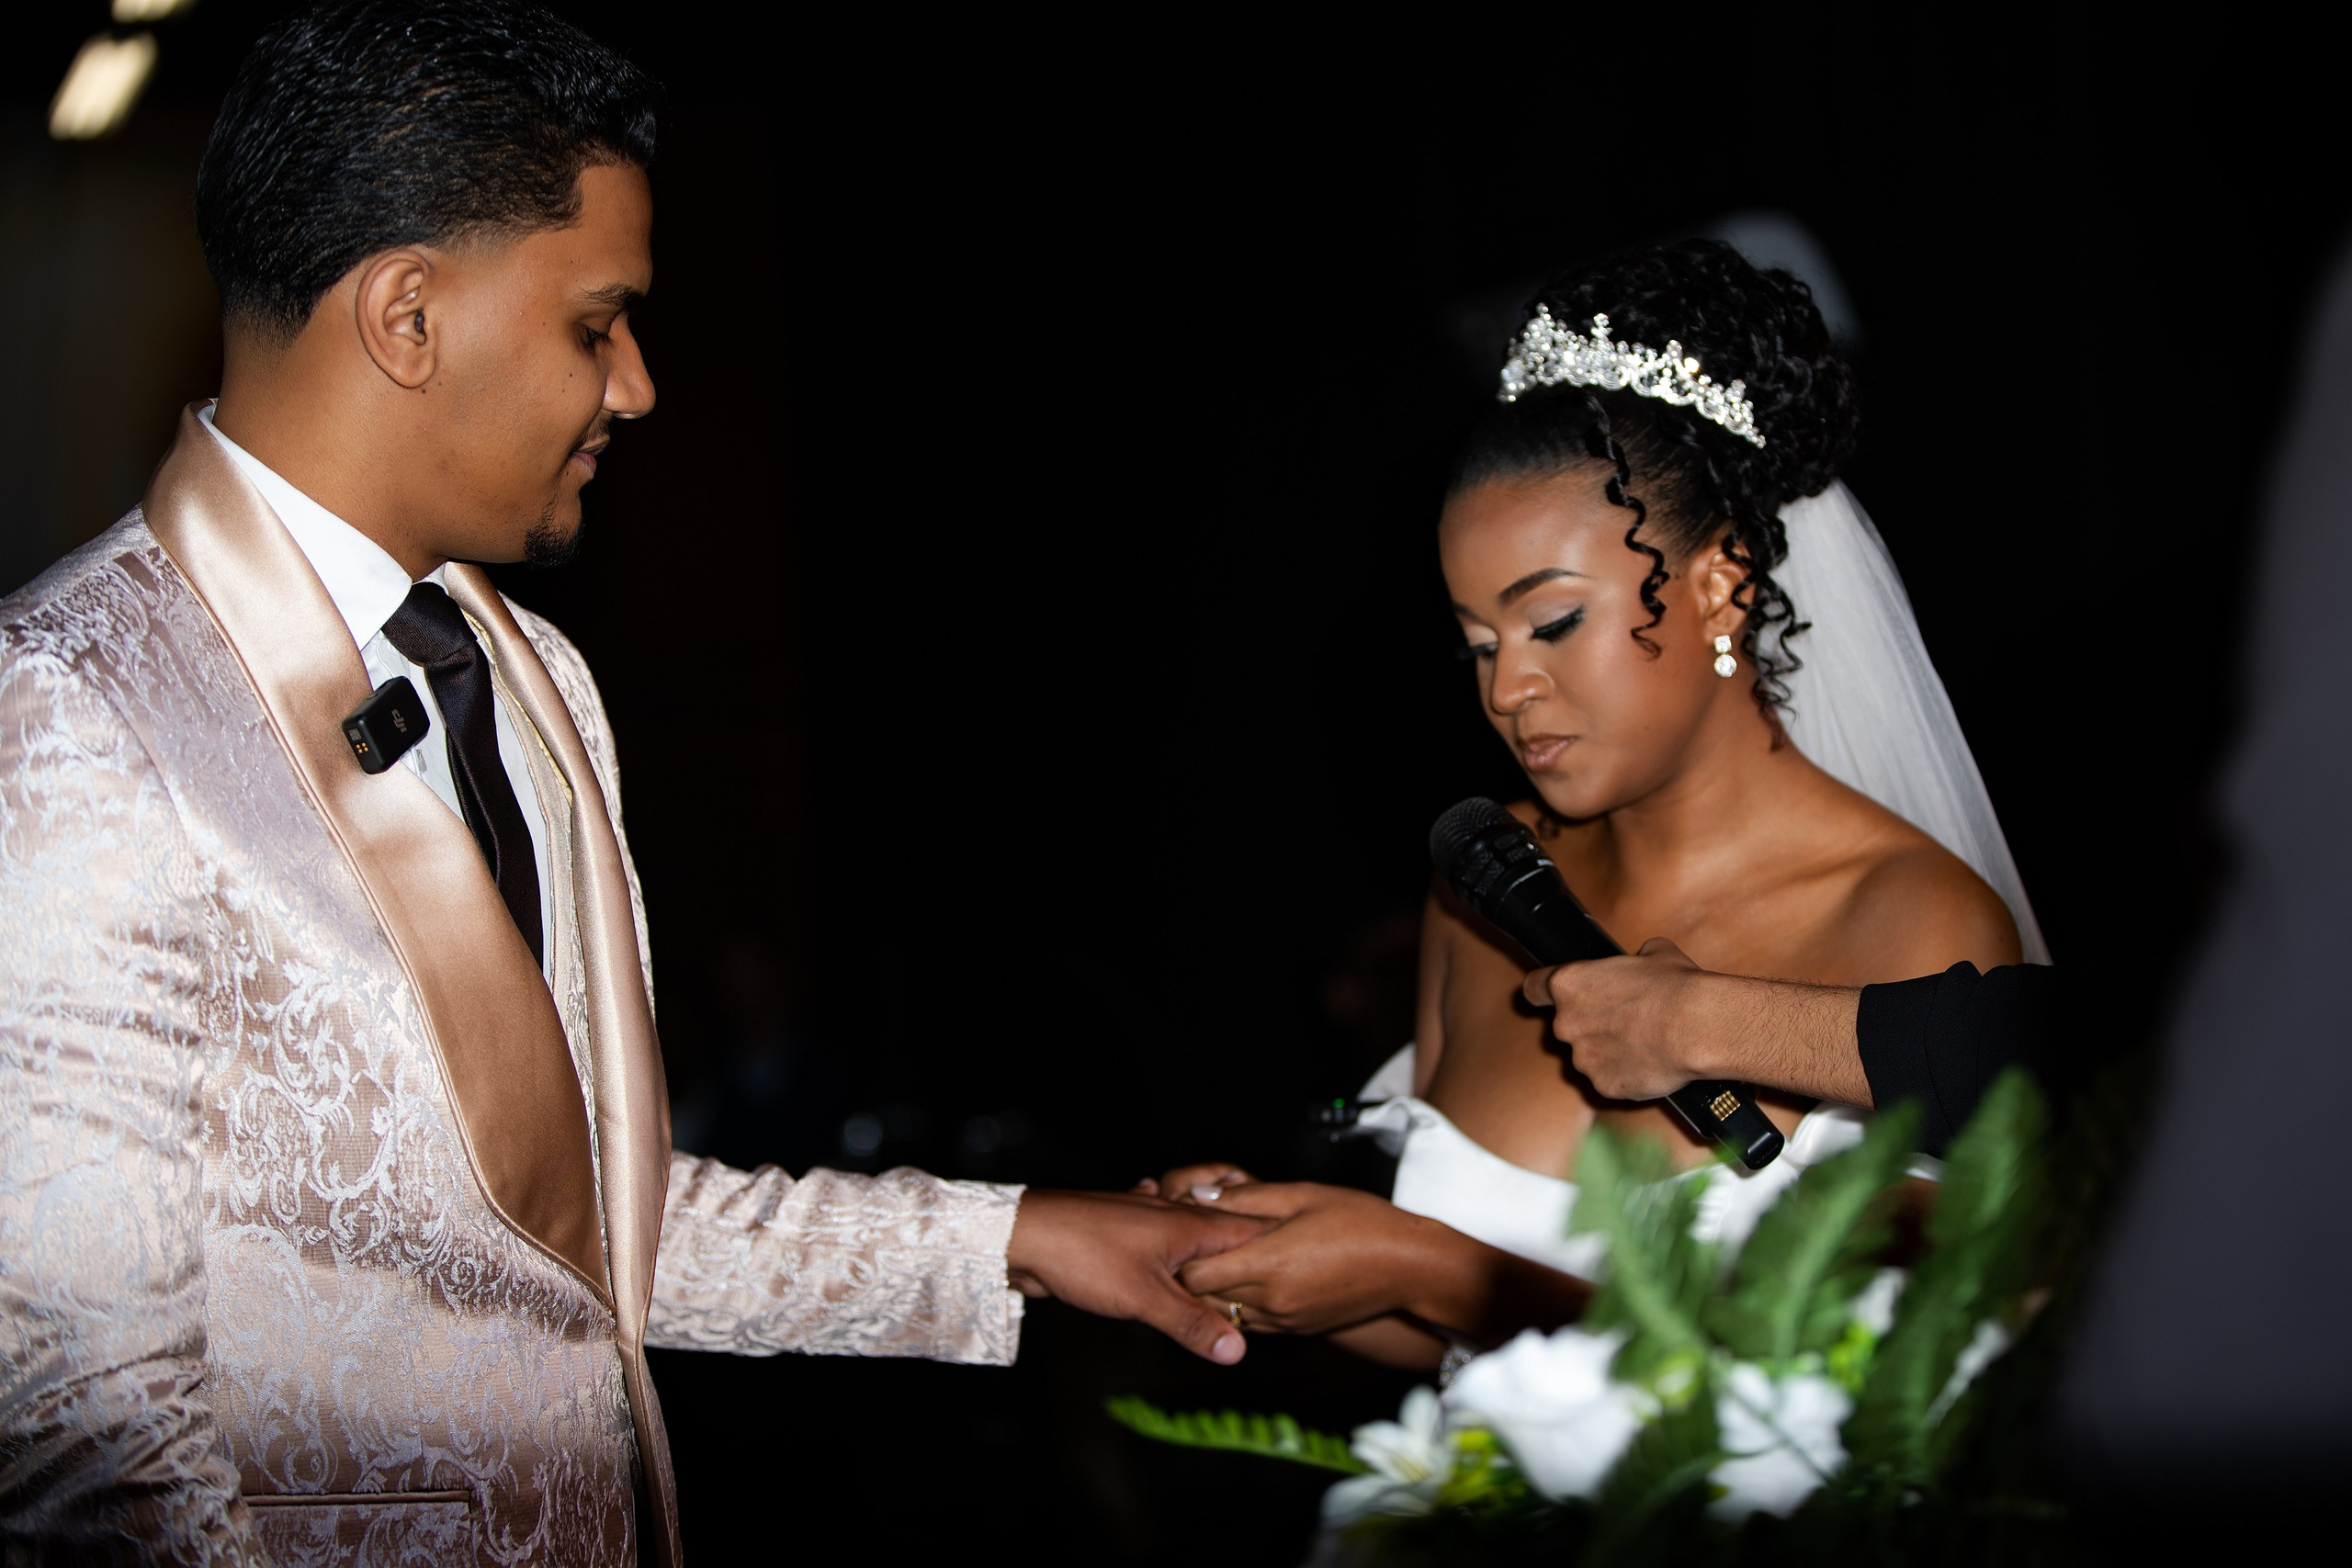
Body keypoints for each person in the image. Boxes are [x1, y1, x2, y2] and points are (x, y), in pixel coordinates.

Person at [0, 6, 1258, 1562]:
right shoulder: (60, 710)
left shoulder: (537, 676)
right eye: (599, 322)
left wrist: (1025, 1238)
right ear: (407, 316)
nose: (641, 385)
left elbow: (584, 1225)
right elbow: (82, 1432)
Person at [1150, 242, 2043, 1366]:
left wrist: (1432, 1270)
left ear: (1720, 586)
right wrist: (1269, 1256)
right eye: (1476, 643)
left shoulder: (1910, 921)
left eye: (1553, 622)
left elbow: (1849, 1393)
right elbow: (1470, 1353)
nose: (1507, 689)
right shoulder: (1485, 885)